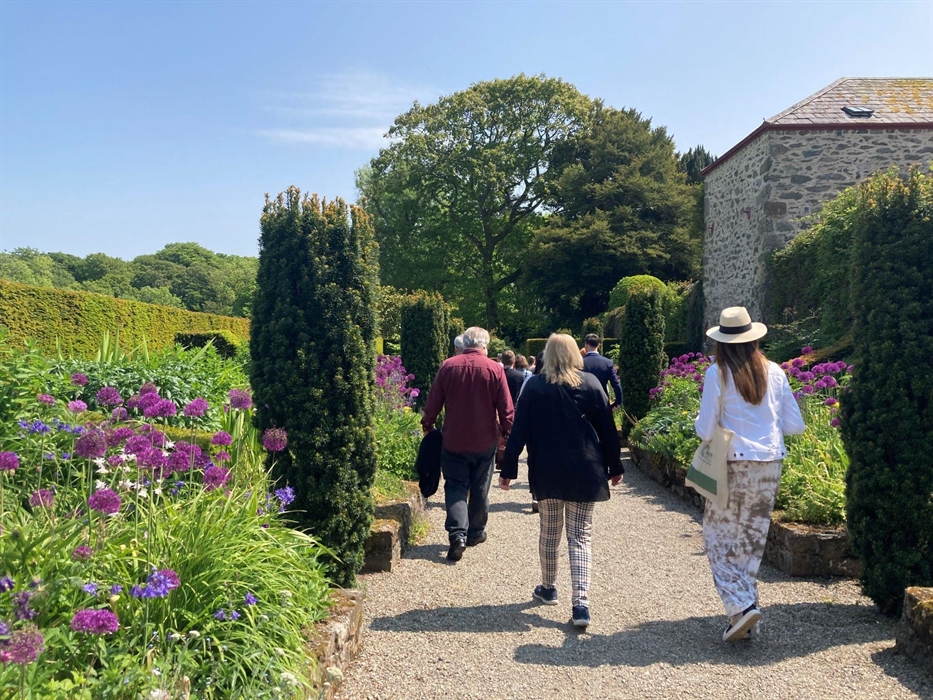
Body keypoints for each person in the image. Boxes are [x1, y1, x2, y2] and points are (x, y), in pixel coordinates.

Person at [695, 307, 804, 642]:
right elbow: (794, 425)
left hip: (733, 463)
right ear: (754, 338)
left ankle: (742, 607)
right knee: (751, 542)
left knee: (716, 539)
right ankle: (748, 613)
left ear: (723, 343)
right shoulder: (775, 372)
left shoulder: (719, 373)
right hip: (770, 463)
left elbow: (705, 427)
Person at [500, 334, 623, 628]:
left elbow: (520, 431)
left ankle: (548, 587)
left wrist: (507, 469)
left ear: (547, 355)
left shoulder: (535, 387)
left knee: (550, 532)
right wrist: (615, 466)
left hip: (547, 468)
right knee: (580, 536)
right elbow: (607, 431)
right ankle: (581, 605)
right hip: (585, 468)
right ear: (574, 354)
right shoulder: (592, 384)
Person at [422, 327, 514, 561]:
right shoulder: (495, 369)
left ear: (464, 342)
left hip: (453, 438)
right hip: (484, 439)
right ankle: (474, 533)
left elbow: (433, 401)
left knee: (455, 487)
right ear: (485, 346)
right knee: (481, 487)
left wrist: (428, 424)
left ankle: (457, 535)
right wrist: (506, 432)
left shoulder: (448, 366)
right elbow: (506, 408)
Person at [582, 334, 623, 409]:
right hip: (603, 403)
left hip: (584, 404)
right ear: (599, 345)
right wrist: (617, 403)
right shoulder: (608, 363)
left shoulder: (580, 363)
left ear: (586, 345)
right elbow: (616, 384)